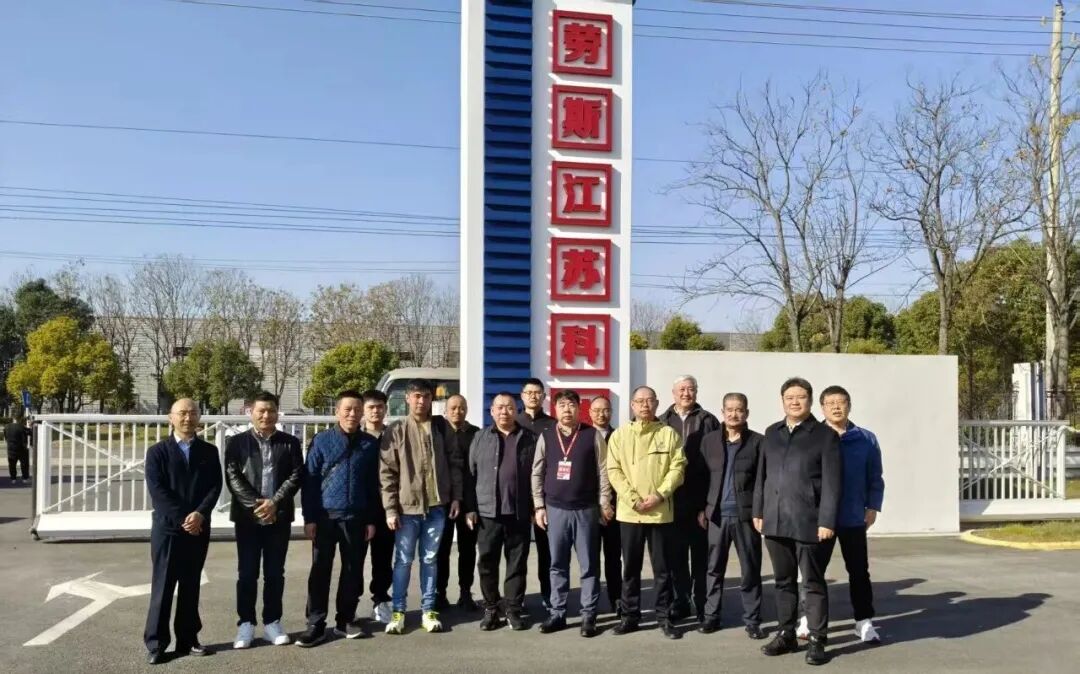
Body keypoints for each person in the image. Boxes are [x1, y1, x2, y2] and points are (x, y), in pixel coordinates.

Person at [754, 377, 841, 666]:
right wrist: (758, 511)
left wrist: (827, 520)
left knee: (812, 583)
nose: (794, 401)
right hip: (776, 521)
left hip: (809, 522)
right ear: (782, 401)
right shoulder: (772, 433)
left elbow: (833, 483)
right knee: (783, 582)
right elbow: (762, 476)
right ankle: (786, 634)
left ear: (810, 400)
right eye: (789, 397)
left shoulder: (825, 435)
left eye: (800, 397)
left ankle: (817, 640)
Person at [380, 379, 463, 635]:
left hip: (437, 507)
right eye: (416, 396)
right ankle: (399, 611)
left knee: (430, 559)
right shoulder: (396, 430)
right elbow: (387, 473)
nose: (421, 401)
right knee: (403, 561)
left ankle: (428, 610)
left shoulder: (441, 427)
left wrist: (456, 497)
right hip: (407, 509)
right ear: (407, 398)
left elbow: (455, 463)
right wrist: (390, 509)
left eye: (426, 396)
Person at [143, 399, 223, 665]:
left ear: (199, 417)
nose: (188, 418)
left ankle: (188, 639)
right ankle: (156, 643)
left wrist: (200, 514)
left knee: (191, 585)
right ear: (171, 418)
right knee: (163, 586)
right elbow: (158, 491)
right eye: (182, 413)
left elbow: (215, 486)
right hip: (168, 529)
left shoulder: (209, 451)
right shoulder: (157, 452)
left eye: (193, 413)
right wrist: (183, 518)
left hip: (198, 528)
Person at [297, 390, 380, 648]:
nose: (353, 414)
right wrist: (310, 518)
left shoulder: (370, 444)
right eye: (347, 409)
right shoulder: (322, 440)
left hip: (356, 517)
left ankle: (345, 619)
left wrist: (371, 519)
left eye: (357, 409)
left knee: (353, 570)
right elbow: (310, 481)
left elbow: (372, 484)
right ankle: (315, 623)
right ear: (337, 412)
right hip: (324, 517)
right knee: (320, 570)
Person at [224, 391, 305, 649]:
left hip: (278, 517)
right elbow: (233, 477)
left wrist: (275, 502)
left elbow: (296, 475)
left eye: (271, 410)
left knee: (275, 573)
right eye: (261, 411)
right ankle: (246, 624)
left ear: (277, 413)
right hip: (248, 519)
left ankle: (272, 622)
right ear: (251, 412)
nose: (266, 415)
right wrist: (257, 506)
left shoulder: (290, 443)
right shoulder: (236, 443)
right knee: (247, 572)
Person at [607, 385, 687, 640]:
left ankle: (664, 617)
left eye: (649, 401)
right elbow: (613, 470)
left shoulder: (669, 434)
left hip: (660, 513)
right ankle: (630, 616)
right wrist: (632, 499)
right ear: (632, 405)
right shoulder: (620, 435)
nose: (645, 405)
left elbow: (678, 468)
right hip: (630, 513)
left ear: (657, 403)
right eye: (640, 401)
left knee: (662, 569)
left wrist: (660, 495)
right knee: (630, 568)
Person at [532, 390, 614, 638]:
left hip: (586, 510)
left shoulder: (592, 435)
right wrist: (539, 506)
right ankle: (558, 613)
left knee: (589, 565)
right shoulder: (547, 435)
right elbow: (537, 471)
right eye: (562, 405)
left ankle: (588, 615)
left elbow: (604, 471)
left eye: (571, 405)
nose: (567, 409)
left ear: (580, 409)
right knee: (557, 564)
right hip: (555, 509)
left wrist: (604, 502)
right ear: (555, 409)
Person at [808, 385, 884, 645]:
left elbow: (875, 476)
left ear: (849, 406)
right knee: (813, 572)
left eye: (841, 402)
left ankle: (864, 621)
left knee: (859, 571)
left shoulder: (866, 438)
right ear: (822, 408)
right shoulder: (812, 436)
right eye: (830, 403)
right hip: (820, 518)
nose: (836, 407)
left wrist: (872, 506)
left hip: (853, 516)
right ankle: (808, 619)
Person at [466, 392, 538, 632]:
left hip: (518, 512)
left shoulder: (530, 438)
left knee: (517, 564)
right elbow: (470, 475)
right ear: (492, 411)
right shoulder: (480, 437)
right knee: (487, 563)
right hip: (488, 513)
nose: (504, 412)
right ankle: (491, 608)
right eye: (499, 407)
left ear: (516, 411)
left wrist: (535, 506)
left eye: (509, 407)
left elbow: (538, 475)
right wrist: (470, 508)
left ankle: (513, 609)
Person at [698, 393, 766, 640]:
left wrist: (759, 512)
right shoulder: (710, 441)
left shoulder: (758, 442)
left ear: (746, 413)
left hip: (746, 517)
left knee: (750, 569)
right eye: (729, 409)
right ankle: (711, 616)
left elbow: (763, 481)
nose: (734, 414)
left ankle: (752, 621)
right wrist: (701, 508)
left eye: (739, 410)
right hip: (716, 516)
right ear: (722, 411)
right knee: (713, 569)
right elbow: (701, 477)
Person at [658, 375, 721, 623]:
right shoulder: (662, 421)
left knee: (701, 556)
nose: (686, 393)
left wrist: (707, 505)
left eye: (691, 389)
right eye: (682, 389)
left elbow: (716, 466)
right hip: (671, 500)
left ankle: (703, 603)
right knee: (676, 556)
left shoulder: (708, 421)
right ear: (673, 393)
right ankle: (681, 601)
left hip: (699, 502)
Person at [436, 394, 481, 611]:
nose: (457, 411)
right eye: (453, 408)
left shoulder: (475, 434)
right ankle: (440, 593)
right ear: (445, 410)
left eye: (462, 408)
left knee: (468, 550)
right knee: (441, 550)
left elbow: (476, 472)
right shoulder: (438, 430)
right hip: (443, 502)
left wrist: (471, 506)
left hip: (468, 501)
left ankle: (465, 592)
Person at [516, 377, 556, 611]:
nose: (533, 396)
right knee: (518, 552)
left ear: (544, 397)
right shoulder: (514, 423)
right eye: (529, 392)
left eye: (537, 392)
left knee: (547, 552)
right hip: (519, 498)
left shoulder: (552, 424)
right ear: (522, 396)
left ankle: (548, 594)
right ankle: (517, 597)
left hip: (545, 497)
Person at [358, 389, 394, 625]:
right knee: (355, 559)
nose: (375, 411)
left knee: (383, 557)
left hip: (386, 507)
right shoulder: (356, 437)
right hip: (361, 507)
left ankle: (380, 600)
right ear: (363, 410)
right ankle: (350, 603)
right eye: (371, 407)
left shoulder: (393, 436)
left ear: (385, 409)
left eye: (380, 407)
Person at [589, 395, 622, 616]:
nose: (602, 414)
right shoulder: (583, 436)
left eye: (606, 410)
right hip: (589, 507)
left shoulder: (619, 436)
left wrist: (609, 503)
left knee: (613, 557)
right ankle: (590, 603)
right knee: (590, 558)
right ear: (590, 412)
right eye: (597, 410)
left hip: (615, 508)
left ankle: (616, 599)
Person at [4, 413, 31, 485]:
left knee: (12, 465)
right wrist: (30, 426)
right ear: (19, 419)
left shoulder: (6, 427)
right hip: (22, 449)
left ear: (13, 419)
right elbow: (30, 432)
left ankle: (13, 478)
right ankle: (25, 478)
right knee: (24, 464)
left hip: (11, 449)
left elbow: (6, 437)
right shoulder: (21, 427)